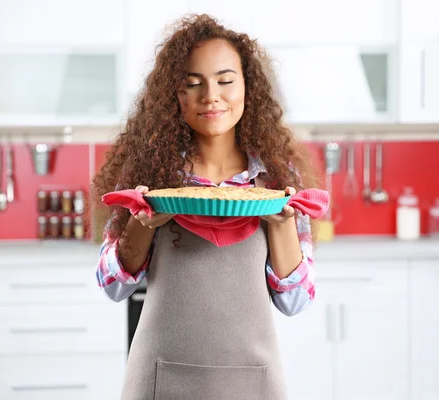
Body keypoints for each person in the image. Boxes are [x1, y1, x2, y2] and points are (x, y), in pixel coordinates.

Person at [92, 13, 320, 400]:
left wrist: (281, 223)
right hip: (159, 377)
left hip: (254, 380)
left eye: (225, 81)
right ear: (173, 96)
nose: (210, 95)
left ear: (248, 88)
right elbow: (113, 285)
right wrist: (143, 224)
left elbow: (294, 301)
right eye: (192, 84)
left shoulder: (277, 178)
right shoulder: (150, 172)